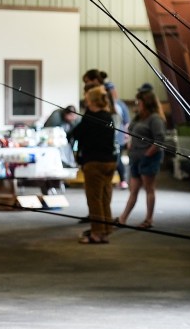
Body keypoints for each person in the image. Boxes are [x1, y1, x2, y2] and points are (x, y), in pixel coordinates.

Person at [69, 86, 119, 244]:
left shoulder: (90, 118)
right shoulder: (108, 116)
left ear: (92, 101)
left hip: (94, 162)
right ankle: (106, 230)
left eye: (87, 99)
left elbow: (76, 134)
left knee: (94, 199)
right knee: (105, 197)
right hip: (110, 162)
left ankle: (97, 233)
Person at [115, 89, 167, 229]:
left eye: (139, 101)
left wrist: (147, 154)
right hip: (135, 158)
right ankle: (122, 218)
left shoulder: (155, 119)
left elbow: (160, 139)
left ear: (146, 103)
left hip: (148, 159)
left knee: (149, 189)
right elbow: (130, 131)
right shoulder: (139, 117)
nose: (137, 104)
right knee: (133, 190)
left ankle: (149, 220)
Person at [104, 81, 131, 189]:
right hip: (114, 137)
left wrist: (126, 134)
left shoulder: (119, 105)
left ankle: (123, 180)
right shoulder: (118, 104)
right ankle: (119, 180)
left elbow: (126, 122)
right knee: (114, 159)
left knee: (117, 159)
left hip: (117, 137)